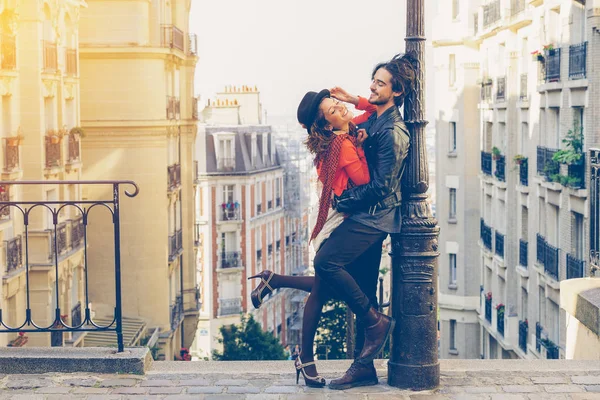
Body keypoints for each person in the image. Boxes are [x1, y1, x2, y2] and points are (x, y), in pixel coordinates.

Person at [249, 88, 377, 387]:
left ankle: (276, 282)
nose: (340, 109)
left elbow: (373, 110)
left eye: (336, 103)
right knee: (323, 291)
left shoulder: (343, 136)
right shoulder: (343, 144)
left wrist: (351, 100)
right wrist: (362, 146)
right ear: (327, 124)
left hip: (329, 215)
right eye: (333, 109)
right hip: (333, 221)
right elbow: (366, 182)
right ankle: (305, 358)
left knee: (330, 289)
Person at [324, 53, 416, 390]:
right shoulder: (376, 119)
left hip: (376, 217)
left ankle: (377, 322)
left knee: (326, 261)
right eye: (373, 80)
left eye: (380, 83)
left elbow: (381, 187)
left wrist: (340, 201)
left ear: (397, 91)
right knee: (363, 287)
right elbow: (357, 122)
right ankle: (364, 367)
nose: (372, 87)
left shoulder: (394, 131)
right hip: (368, 214)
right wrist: (351, 102)